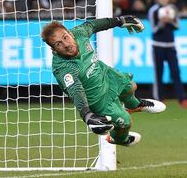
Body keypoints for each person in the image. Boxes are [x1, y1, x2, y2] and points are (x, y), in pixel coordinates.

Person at [41, 16, 166, 146]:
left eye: (65, 37)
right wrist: (87, 115)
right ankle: (119, 140)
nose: (66, 44)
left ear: (70, 34)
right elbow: (75, 90)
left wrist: (119, 21)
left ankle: (134, 105)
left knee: (131, 86)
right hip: (97, 99)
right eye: (58, 44)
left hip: (105, 75)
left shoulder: (79, 32)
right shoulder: (63, 68)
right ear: (54, 50)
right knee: (125, 122)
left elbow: (94, 25)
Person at [148, 0, 187, 107]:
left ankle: (182, 99)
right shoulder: (154, 10)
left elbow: (177, 26)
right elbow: (154, 29)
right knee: (158, 73)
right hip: (157, 45)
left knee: (175, 72)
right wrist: (162, 22)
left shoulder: (173, 9)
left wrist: (170, 20)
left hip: (170, 46)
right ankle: (159, 98)